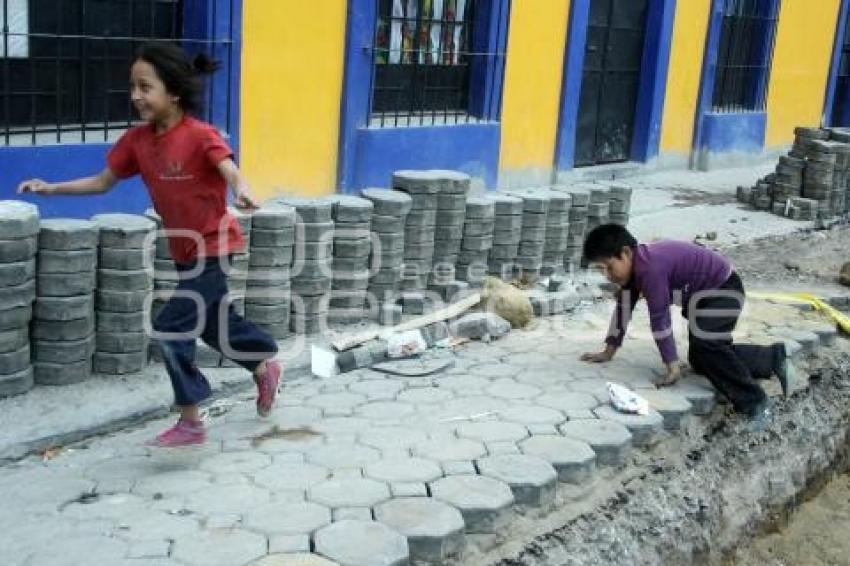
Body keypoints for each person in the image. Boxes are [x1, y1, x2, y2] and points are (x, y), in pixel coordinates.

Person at [18, 42, 281, 447]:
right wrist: (52, 188)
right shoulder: (137, 142)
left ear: (173, 92)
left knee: (172, 325)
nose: (136, 96)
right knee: (212, 324)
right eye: (133, 87)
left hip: (215, 245)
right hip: (184, 251)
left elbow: (229, 167)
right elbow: (103, 182)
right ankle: (264, 364)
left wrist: (243, 190)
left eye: (146, 87)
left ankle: (191, 419)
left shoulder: (199, 135)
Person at [580, 224, 794, 431]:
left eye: (609, 267)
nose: (608, 275)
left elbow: (659, 318)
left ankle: (756, 404)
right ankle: (772, 357)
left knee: (707, 346)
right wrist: (608, 351)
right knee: (701, 358)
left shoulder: (651, 268)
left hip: (723, 290)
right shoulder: (635, 269)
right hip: (704, 298)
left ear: (625, 253)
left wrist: (671, 365)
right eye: (601, 270)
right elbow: (623, 310)